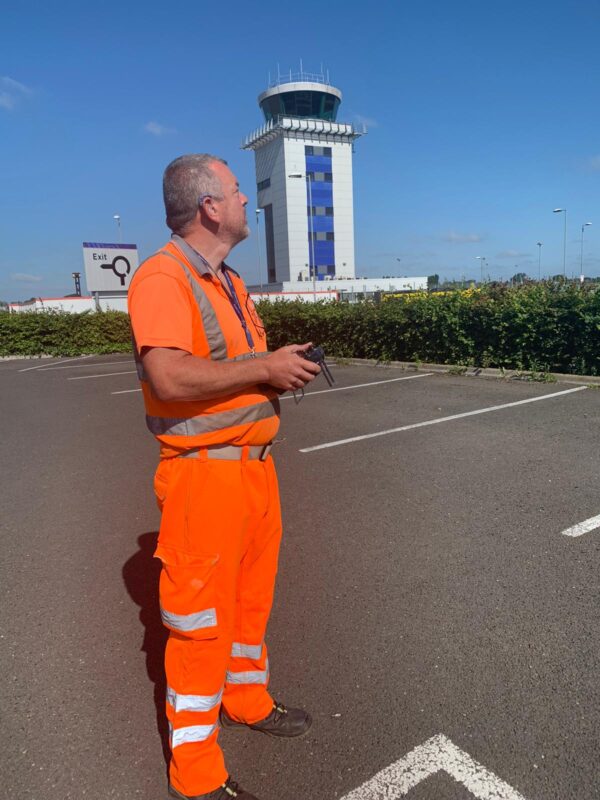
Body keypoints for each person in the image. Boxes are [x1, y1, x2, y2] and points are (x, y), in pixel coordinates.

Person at [128, 154, 321, 800]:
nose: (248, 201)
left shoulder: (229, 282)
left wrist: (279, 366)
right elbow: (169, 377)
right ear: (209, 206)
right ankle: (196, 772)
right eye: (238, 192)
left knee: (248, 608)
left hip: (254, 475)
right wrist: (264, 371)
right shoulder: (164, 277)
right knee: (200, 628)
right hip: (204, 481)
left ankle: (246, 699)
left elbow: (235, 369)